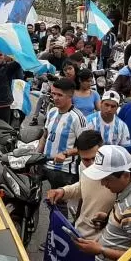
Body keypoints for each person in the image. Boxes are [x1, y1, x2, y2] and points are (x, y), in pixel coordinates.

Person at [46, 130, 116, 241]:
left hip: (101, 241)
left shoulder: (116, 171)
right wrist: (63, 191)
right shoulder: (83, 165)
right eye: (86, 160)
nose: (92, 164)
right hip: (79, 233)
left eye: (95, 158)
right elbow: (83, 185)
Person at [38, 78, 88, 212]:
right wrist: (35, 157)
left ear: (70, 95)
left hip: (63, 171)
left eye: (60, 95)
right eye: (53, 94)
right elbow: (45, 136)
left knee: (58, 207)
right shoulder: (52, 112)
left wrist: (66, 153)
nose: (55, 98)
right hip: (45, 164)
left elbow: (86, 147)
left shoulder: (77, 118)